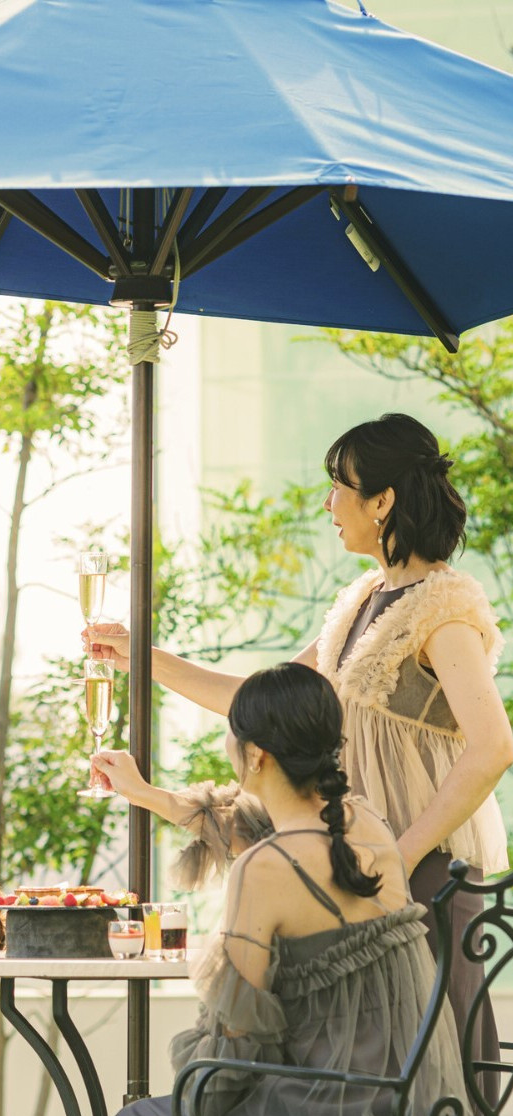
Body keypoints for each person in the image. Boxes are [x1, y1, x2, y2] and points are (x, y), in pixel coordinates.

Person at [85, 413, 512, 1074]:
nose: (328, 505)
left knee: (430, 1075)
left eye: (339, 488)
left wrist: (399, 856)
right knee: (361, 1069)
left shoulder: (445, 610)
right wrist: (142, 657)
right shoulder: (362, 600)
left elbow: (493, 748)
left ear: (382, 501)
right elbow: (262, 702)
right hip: (348, 870)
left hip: (422, 874)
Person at [91, 664, 467, 1116]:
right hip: (419, 1109)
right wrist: (146, 793)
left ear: (256, 756)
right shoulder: (367, 824)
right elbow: (253, 825)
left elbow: (232, 1057)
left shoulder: (265, 868)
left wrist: (190, 1088)